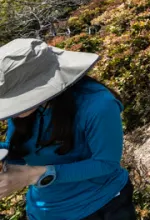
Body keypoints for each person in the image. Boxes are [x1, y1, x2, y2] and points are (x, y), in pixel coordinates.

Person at [0, 39, 132, 220]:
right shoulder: (22, 113)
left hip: (100, 207)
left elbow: (106, 163)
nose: (11, 111)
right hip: (42, 210)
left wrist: (35, 175)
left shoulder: (98, 105)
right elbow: (19, 150)